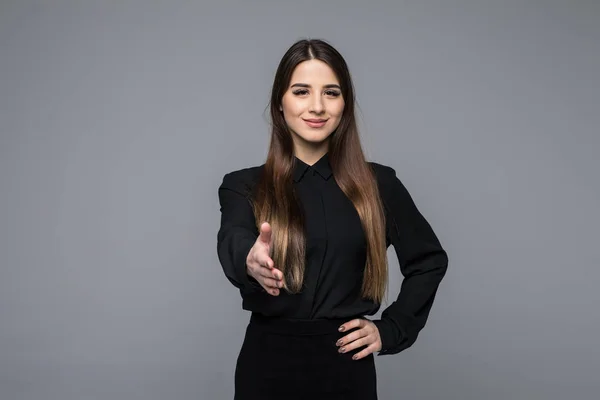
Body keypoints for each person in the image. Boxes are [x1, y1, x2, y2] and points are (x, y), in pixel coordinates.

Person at [216, 38, 448, 400]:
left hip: (345, 368)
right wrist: (249, 260)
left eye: (331, 92)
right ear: (280, 103)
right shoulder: (243, 185)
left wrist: (391, 329)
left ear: (345, 105)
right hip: (267, 367)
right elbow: (232, 236)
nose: (317, 106)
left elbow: (428, 261)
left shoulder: (379, 184)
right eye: (301, 91)